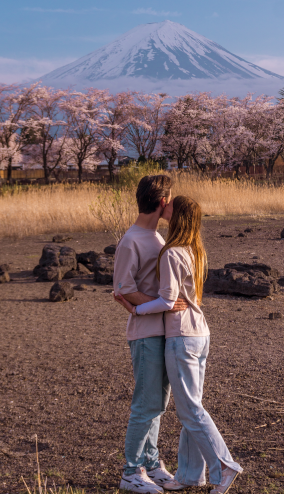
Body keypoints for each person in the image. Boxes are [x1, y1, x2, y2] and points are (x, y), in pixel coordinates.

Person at [115, 195, 243, 493]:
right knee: (190, 406)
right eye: (166, 200)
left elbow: (168, 301)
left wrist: (135, 308)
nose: (166, 205)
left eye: (171, 204)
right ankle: (188, 474)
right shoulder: (195, 250)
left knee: (189, 411)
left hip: (181, 336)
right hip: (200, 333)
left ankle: (223, 465)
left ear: (175, 215)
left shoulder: (171, 252)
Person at [113, 175, 189, 494]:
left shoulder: (158, 238)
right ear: (161, 202)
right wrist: (165, 306)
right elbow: (123, 289)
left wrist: (167, 306)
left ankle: (152, 464)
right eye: (170, 199)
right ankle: (132, 472)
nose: (172, 204)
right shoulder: (131, 240)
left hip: (164, 332)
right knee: (146, 404)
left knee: (159, 403)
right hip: (144, 335)